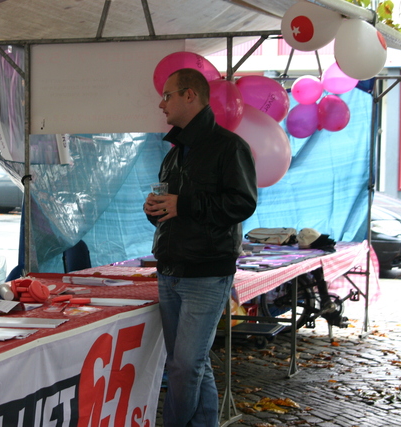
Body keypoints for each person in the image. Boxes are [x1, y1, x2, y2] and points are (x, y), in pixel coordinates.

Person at [143, 68, 257, 427]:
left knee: (184, 365)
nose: (161, 104)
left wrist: (183, 204)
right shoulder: (174, 152)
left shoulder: (229, 146)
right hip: (170, 269)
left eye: (167, 95)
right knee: (191, 363)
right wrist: (155, 210)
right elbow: (171, 207)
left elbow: (242, 204)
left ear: (189, 95)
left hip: (207, 273)